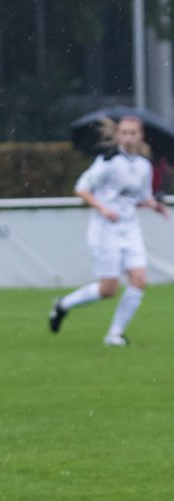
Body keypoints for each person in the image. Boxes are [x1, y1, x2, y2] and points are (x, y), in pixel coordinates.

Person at [49, 115, 168, 346]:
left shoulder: (144, 165)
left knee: (139, 280)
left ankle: (114, 335)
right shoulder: (107, 161)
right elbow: (82, 189)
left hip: (130, 229)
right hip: (106, 231)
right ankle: (62, 305)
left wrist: (155, 206)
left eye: (133, 133)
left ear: (140, 135)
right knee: (108, 289)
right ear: (117, 135)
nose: (129, 137)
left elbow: (143, 197)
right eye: (124, 133)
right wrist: (103, 209)